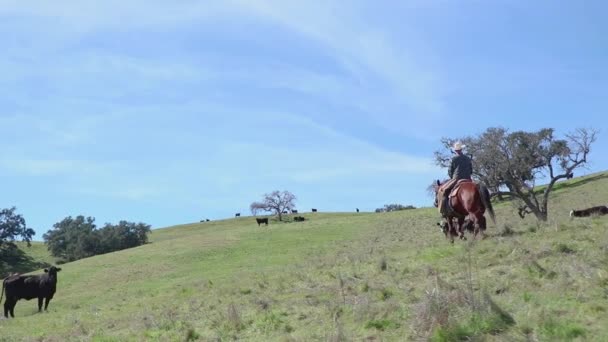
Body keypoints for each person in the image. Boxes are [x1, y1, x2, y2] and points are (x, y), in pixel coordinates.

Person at [438, 141, 473, 216]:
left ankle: (442, 210)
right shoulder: (467, 158)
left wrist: (452, 177)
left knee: (442, 190)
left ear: (455, 150)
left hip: (456, 178)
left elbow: (450, 171)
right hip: (468, 179)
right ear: (461, 150)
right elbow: (471, 170)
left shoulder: (453, 159)